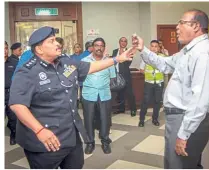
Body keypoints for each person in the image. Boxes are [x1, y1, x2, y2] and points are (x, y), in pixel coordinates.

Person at [9, 26, 134, 169]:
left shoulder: (66, 62)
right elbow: (17, 105)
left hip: (70, 136)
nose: (57, 43)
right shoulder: (27, 72)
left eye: (56, 40)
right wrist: (39, 130)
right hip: (44, 141)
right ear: (39, 49)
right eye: (51, 41)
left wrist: (118, 59)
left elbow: (91, 67)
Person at [132, 9, 209, 169]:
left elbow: (201, 99)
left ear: (196, 26)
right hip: (180, 119)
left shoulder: (203, 54)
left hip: (185, 120)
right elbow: (165, 64)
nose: (177, 27)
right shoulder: (188, 52)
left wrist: (183, 134)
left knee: (177, 165)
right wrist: (143, 49)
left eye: (181, 22)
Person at [82, 37, 116, 154]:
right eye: (96, 45)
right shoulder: (85, 61)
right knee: (89, 120)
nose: (99, 48)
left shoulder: (109, 61)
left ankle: (105, 142)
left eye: (101, 46)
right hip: (88, 95)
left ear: (104, 48)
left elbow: (113, 78)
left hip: (104, 95)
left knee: (105, 119)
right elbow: (79, 77)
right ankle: (90, 142)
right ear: (92, 47)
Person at [138, 40, 164, 127]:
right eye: (152, 46)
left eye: (156, 46)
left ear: (158, 48)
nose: (154, 48)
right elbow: (141, 69)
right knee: (145, 101)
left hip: (159, 83)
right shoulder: (146, 57)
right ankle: (141, 120)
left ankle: (155, 119)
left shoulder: (162, 57)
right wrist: (148, 74)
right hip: (149, 83)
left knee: (157, 102)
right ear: (150, 48)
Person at [112, 37, 137, 117]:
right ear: (119, 42)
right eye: (121, 41)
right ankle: (121, 109)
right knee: (120, 93)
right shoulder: (115, 51)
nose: (123, 42)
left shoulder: (129, 52)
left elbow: (127, 63)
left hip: (126, 76)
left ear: (126, 43)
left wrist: (122, 55)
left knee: (130, 93)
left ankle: (133, 109)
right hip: (116, 75)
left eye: (125, 41)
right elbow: (113, 62)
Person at [5, 41, 18, 145]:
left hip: (10, 93)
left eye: (5, 48)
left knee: (13, 118)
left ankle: (13, 134)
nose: (4, 51)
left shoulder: (13, 62)